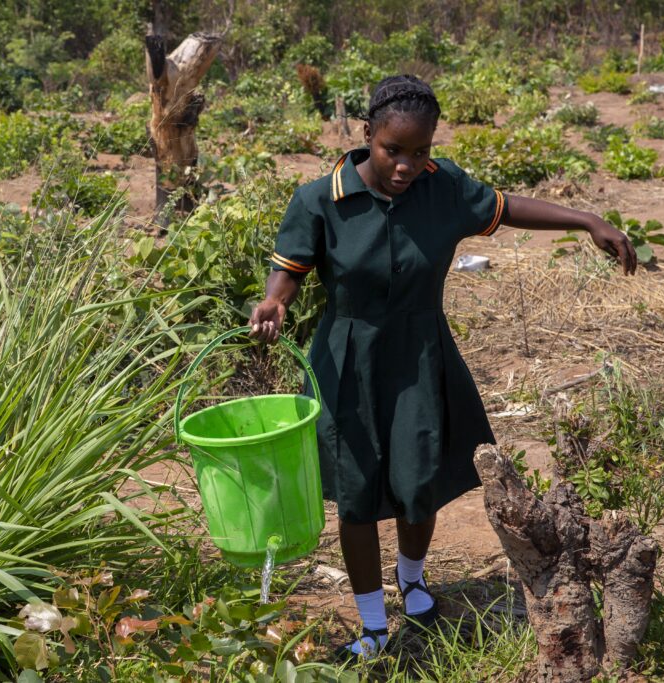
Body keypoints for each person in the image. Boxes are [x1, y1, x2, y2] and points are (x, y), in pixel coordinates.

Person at [248, 74, 637, 658]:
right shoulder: (319, 199)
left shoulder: (443, 187)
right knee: (357, 497)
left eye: (420, 150)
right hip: (347, 360)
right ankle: (373, 622)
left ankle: (412, 579)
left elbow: (506, 208)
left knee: (418, 480)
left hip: (422, 354)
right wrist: (275, 300)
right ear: (367, 136)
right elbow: (290, 271)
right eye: (392, 150)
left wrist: (587, 219)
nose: (406, 164)